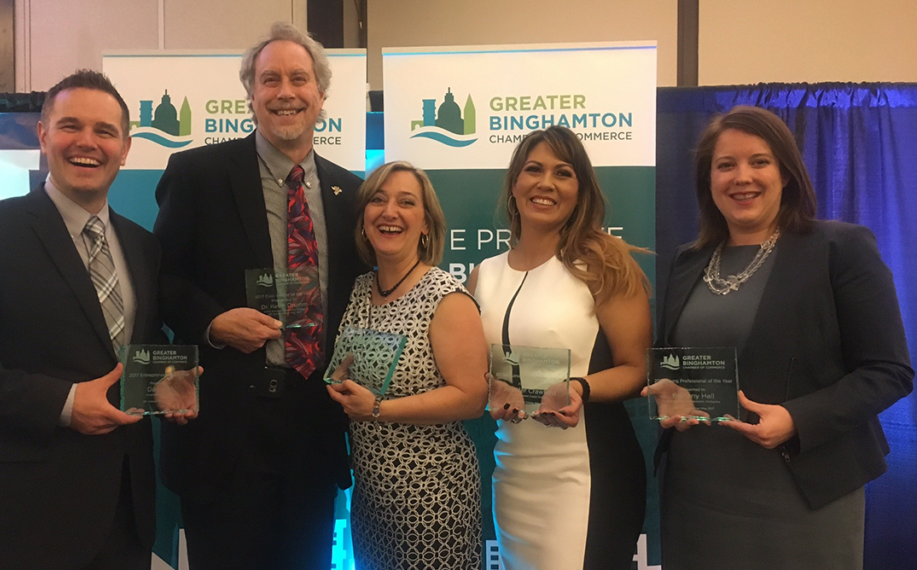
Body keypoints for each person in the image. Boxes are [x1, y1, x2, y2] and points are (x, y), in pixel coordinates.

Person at [0, 70, 181, 570]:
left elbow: (134, 341)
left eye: (105, 131)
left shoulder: (142, 244)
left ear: (126, 147)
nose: (88, 143)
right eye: (71, 125)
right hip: (18, 523)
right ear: (44, 135)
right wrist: (65, 403)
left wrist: (166, 383)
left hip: (123, 517)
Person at [651, 105, 913, 568]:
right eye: (725, 165)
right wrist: (671, 395)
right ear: (708, 180)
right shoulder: (686, 261)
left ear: (786, 173)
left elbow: (889, 372)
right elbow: (680, 361)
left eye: (759, 161)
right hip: (696, 491)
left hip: (802, 491)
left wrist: (796, 418)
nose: (741, 177)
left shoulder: (840, 248)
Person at [153, 22, 370, 569]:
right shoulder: (198, 173)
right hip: (226, 428)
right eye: (269, 79)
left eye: (299, 79)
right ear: (251, 95)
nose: (284, 91)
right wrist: (213, 322)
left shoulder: (352, 194)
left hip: (314, 425)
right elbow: (160, 278)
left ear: (321, 96)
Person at [468, 126, 650, 569]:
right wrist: (488, 391)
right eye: (534, 170)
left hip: (586, 472)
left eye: (563, 173)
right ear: (515, 185)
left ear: (579, 191)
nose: (545, 183)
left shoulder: (604, 264)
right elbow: (477, 372)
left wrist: (579, 388)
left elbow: (637, 367)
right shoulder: (482, 275)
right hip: (512, 472)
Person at [326, 161, 487, 569]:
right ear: (364, 220)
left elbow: (472, 398)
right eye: (377, 200)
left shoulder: (445, 296)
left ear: (427, 224)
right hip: (371, 496)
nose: (389, 211)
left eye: (406, 202)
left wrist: (379, 409)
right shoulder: (360, 289)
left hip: (433, 499)